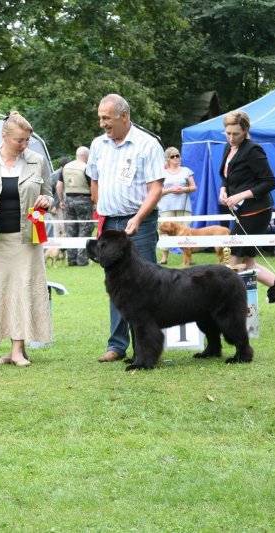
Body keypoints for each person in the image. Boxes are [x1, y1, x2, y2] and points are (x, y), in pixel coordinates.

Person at [0, 111, 53, 366]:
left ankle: (18, 350)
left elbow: (49, 195)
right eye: (19, 140)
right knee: (1, 292)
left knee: (24, 290)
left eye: (27, 140)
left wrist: (45, 201)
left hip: (27, 238)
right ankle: (10, 349)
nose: (24, 145)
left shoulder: (37, 161)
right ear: (4, 137)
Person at [90, 94, 165, 364]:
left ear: (124, 116)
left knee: (145, 285)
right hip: (110, 224)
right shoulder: (98, 145)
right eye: (100, 117)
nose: (102, 124)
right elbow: (94, 181)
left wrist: (138, 217)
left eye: (106, 118)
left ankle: (144, 348)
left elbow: (156, 188)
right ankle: (117, 345)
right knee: (116, 285)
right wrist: (99, 208)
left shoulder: (148, 145)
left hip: (139, 224)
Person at [219, 110, 275, 288]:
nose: (231, 138)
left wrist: (240, 195)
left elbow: (270, 182)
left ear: (245, 131)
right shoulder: (228, 147)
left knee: (232, 263)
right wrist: (223, 189)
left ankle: (225, 307)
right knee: (249, 264)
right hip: (242, 212)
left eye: (235, 134)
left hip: (256, 212)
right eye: (228, 133)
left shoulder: (253, 149)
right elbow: (226, 176)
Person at [157, 146, 196, 264]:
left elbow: (194, 187)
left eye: (177, 155)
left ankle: (188, 259)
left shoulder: (186, 170)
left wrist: (184, 189)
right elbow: (157, 191)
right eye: (172, 156)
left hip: (183, 206)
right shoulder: (161, 172)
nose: (175, 158)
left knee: (186, 232)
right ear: (168, 159)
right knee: (164, 231)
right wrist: (170, 190)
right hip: (166, 206)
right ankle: (164, 258)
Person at [56, 146, 93, 266]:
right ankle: (82, 260)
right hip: (84, 199)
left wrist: (61, 200)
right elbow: (93, 186)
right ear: (87, 156)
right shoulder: (86, 167)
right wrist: (96, 201)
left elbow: (59, 185)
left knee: (70, 229)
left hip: (69, 199)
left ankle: (71, 260)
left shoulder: (66, 167)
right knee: (85, 229)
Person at [47, 156, 70, 238]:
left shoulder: (66, 174)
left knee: (61, 227)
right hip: (56, 206)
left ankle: (62, 248)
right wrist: (53, 206)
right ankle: (59, 248)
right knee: (60, 227)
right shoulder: (54, 176)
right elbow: (48, 192)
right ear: (61, 167)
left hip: (62, 205)